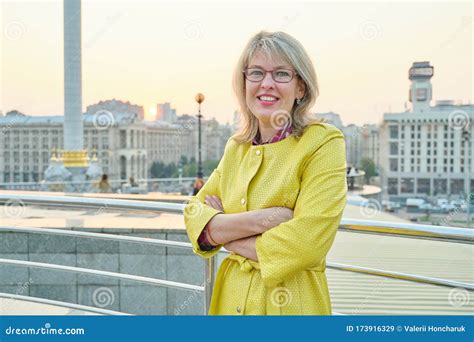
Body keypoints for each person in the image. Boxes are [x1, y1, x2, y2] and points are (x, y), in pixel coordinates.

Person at [184, 31, 347, 315]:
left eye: (282, 74)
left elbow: (307, 243)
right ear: (244, 83)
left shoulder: (323, 142)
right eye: (256, 73)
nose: (267, 84)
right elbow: (194, 215)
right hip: (229, 305)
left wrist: (226, 234)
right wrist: (264, 220)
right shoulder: (237, 148)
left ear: (301, 88)